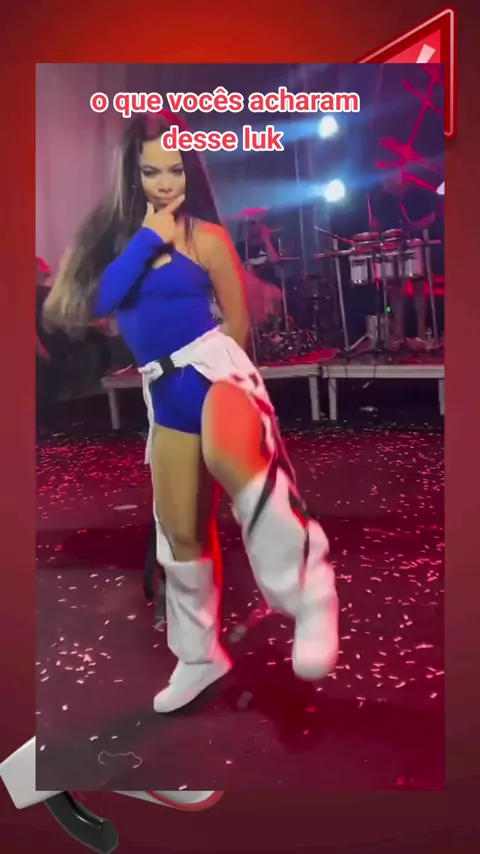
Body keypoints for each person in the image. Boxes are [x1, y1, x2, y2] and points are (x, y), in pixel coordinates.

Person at [44, 111, 339, 714]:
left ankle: (310, 591)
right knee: (179, 529)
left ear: (190, 172)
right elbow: (95, 302)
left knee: (232, 458)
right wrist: (149, 239)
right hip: (162, 389)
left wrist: (227, 381)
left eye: (175, 170)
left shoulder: (207, 237)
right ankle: (199, 655)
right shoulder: (125, 244)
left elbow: (238, 323)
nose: (165, 183)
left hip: (214, 368)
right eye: (151, 171)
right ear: (133, 175)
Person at [369, 175, 440, 350]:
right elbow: (376, 224)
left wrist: (422, 223)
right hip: (392, 243)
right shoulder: (381, 199)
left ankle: (421, 331)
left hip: (412, 242)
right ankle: (399, 332)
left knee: (417, 284)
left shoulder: (413, 194)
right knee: (396, 287)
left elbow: (432, 209)